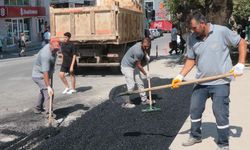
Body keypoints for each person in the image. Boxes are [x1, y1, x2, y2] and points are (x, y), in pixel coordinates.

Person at [171, 11, 247, 150]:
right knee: (194, 109)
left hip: (220, 82)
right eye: (190, 29)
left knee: (220, 112)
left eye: (194, 28)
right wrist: (180, 76)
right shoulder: (193, 38)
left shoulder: (221, 31)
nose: (192, 31)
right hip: (201, 82)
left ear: (202, 23)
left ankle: (223, 143)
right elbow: (191, 59)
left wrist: (240, 64)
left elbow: (241, 42)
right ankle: (195, 136)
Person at [120, 37, 153, 109]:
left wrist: (146, 55)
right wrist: (146, 74)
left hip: (133, 65)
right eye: (145, 46)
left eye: (148, 46)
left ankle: (144, 100)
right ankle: (126, 103)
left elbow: (144, 50)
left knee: (140, 82)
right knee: (131, 85)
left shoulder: (142, 46)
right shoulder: (137, 50)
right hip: (127, 66)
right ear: (142, 43)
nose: (147, 48)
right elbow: (139, 65)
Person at [32, 38, 60, 118]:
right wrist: (48, 86)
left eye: (57, 49)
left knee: (43, 91)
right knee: (49, 93)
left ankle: (37, 108)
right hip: (39, 75)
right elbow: (45, 73)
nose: (56, 51)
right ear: (50, 45)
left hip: (45, 74)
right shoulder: (46, 55)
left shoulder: (53, 48)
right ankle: (49, 114)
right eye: (55, 49)